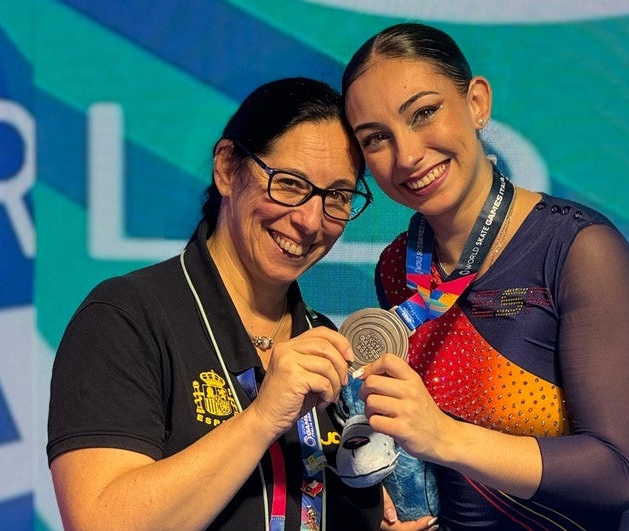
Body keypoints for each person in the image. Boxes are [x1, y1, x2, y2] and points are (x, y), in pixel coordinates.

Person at [341, 23, 629, 530]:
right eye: (377, 138)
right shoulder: (396, 267)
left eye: (424, 113)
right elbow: (426, 455)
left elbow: (614, 472)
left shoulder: (578, 248)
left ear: (477, 103)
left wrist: (443, 436)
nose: (408, 155)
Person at [46, 77, 383, 530]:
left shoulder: (327, 344)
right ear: (227, 167)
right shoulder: (126, 317)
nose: (309, 220)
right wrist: (262, 418)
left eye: (337, 197)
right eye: (289, 183)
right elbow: (99, 522)